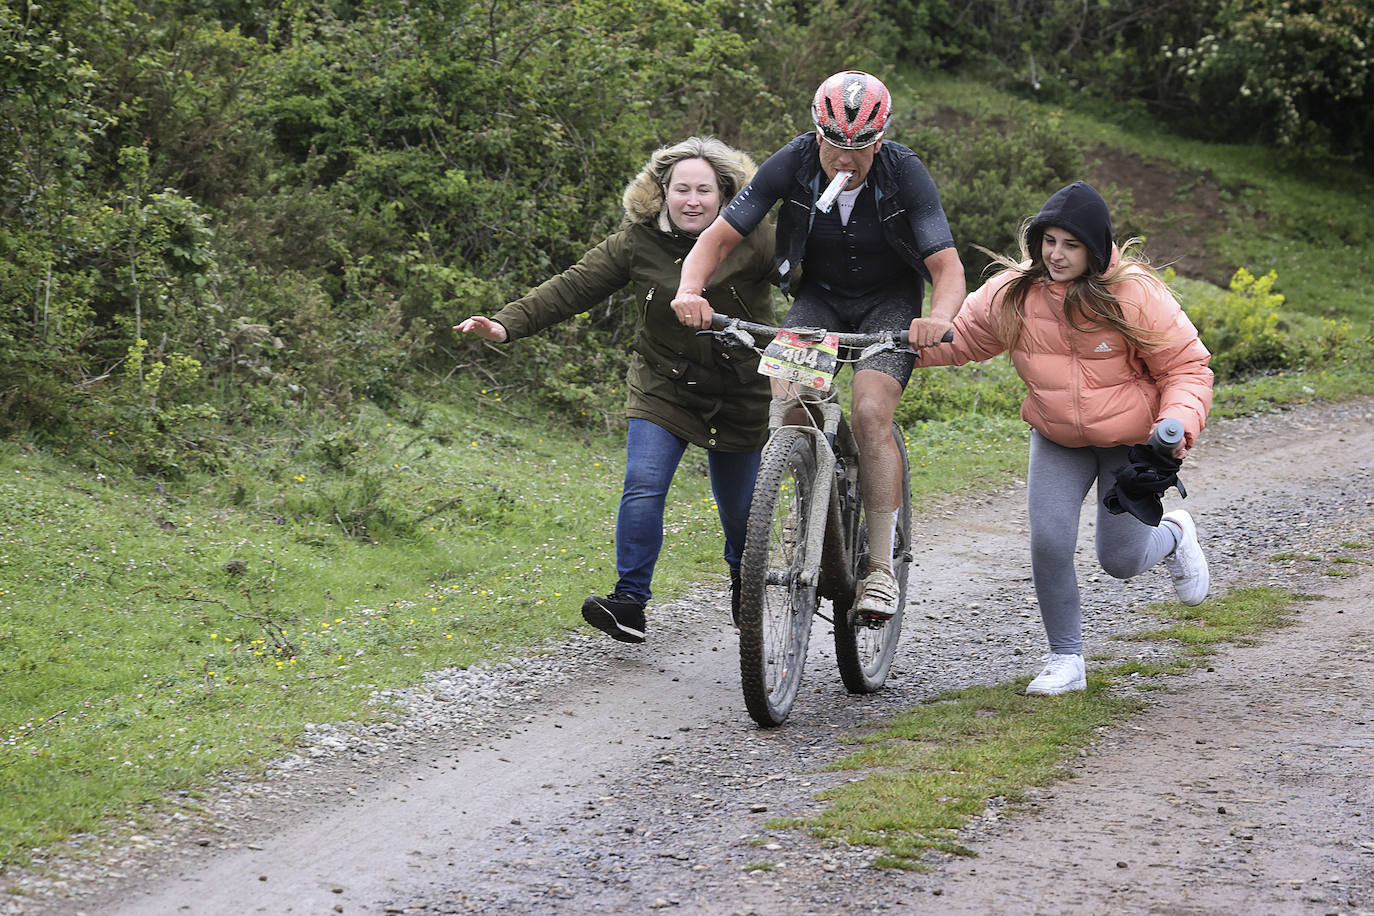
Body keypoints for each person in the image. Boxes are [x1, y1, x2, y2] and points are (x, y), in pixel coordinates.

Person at [671, 70, 966, 624]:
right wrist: (690, 290)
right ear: (817, 133)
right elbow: (719, 237)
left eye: (860, 148)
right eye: (834, 145)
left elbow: (946, 267)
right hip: (819, 300)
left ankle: (879, 566)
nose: (845, 159)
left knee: (871, 410)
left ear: (879, 140)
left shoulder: (905, 174)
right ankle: (803, 512)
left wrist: (939, 317)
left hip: (889, 304)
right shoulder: (796, 161)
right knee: (790, 402)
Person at [456, 137, 776, 645]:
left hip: (740, 391)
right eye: (681, 190)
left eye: (704, 191)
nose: (692, 201)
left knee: (742, 514)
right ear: (662, 193)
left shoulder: (755, 239)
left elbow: (810, 284)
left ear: (725, 194)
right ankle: (629, 602)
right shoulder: (636, 241)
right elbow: (571, 287)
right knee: (644, 484)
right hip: (662, 385)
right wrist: (503, 325)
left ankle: (745, 579)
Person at [915, 180, 1214, 696]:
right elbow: (961, 339)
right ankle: (1066, 659)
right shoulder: (1013, 292)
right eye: (1048, 241)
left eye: (1070, 245)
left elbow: (1188, 368)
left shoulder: (1135, 294)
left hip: (1128, 442)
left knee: (1119, 562)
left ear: (1094, 249)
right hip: (1056, 436)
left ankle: (1175, 536)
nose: (1055, 255)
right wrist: (903, 345)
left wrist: (1179, 424)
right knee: (1049, 541)